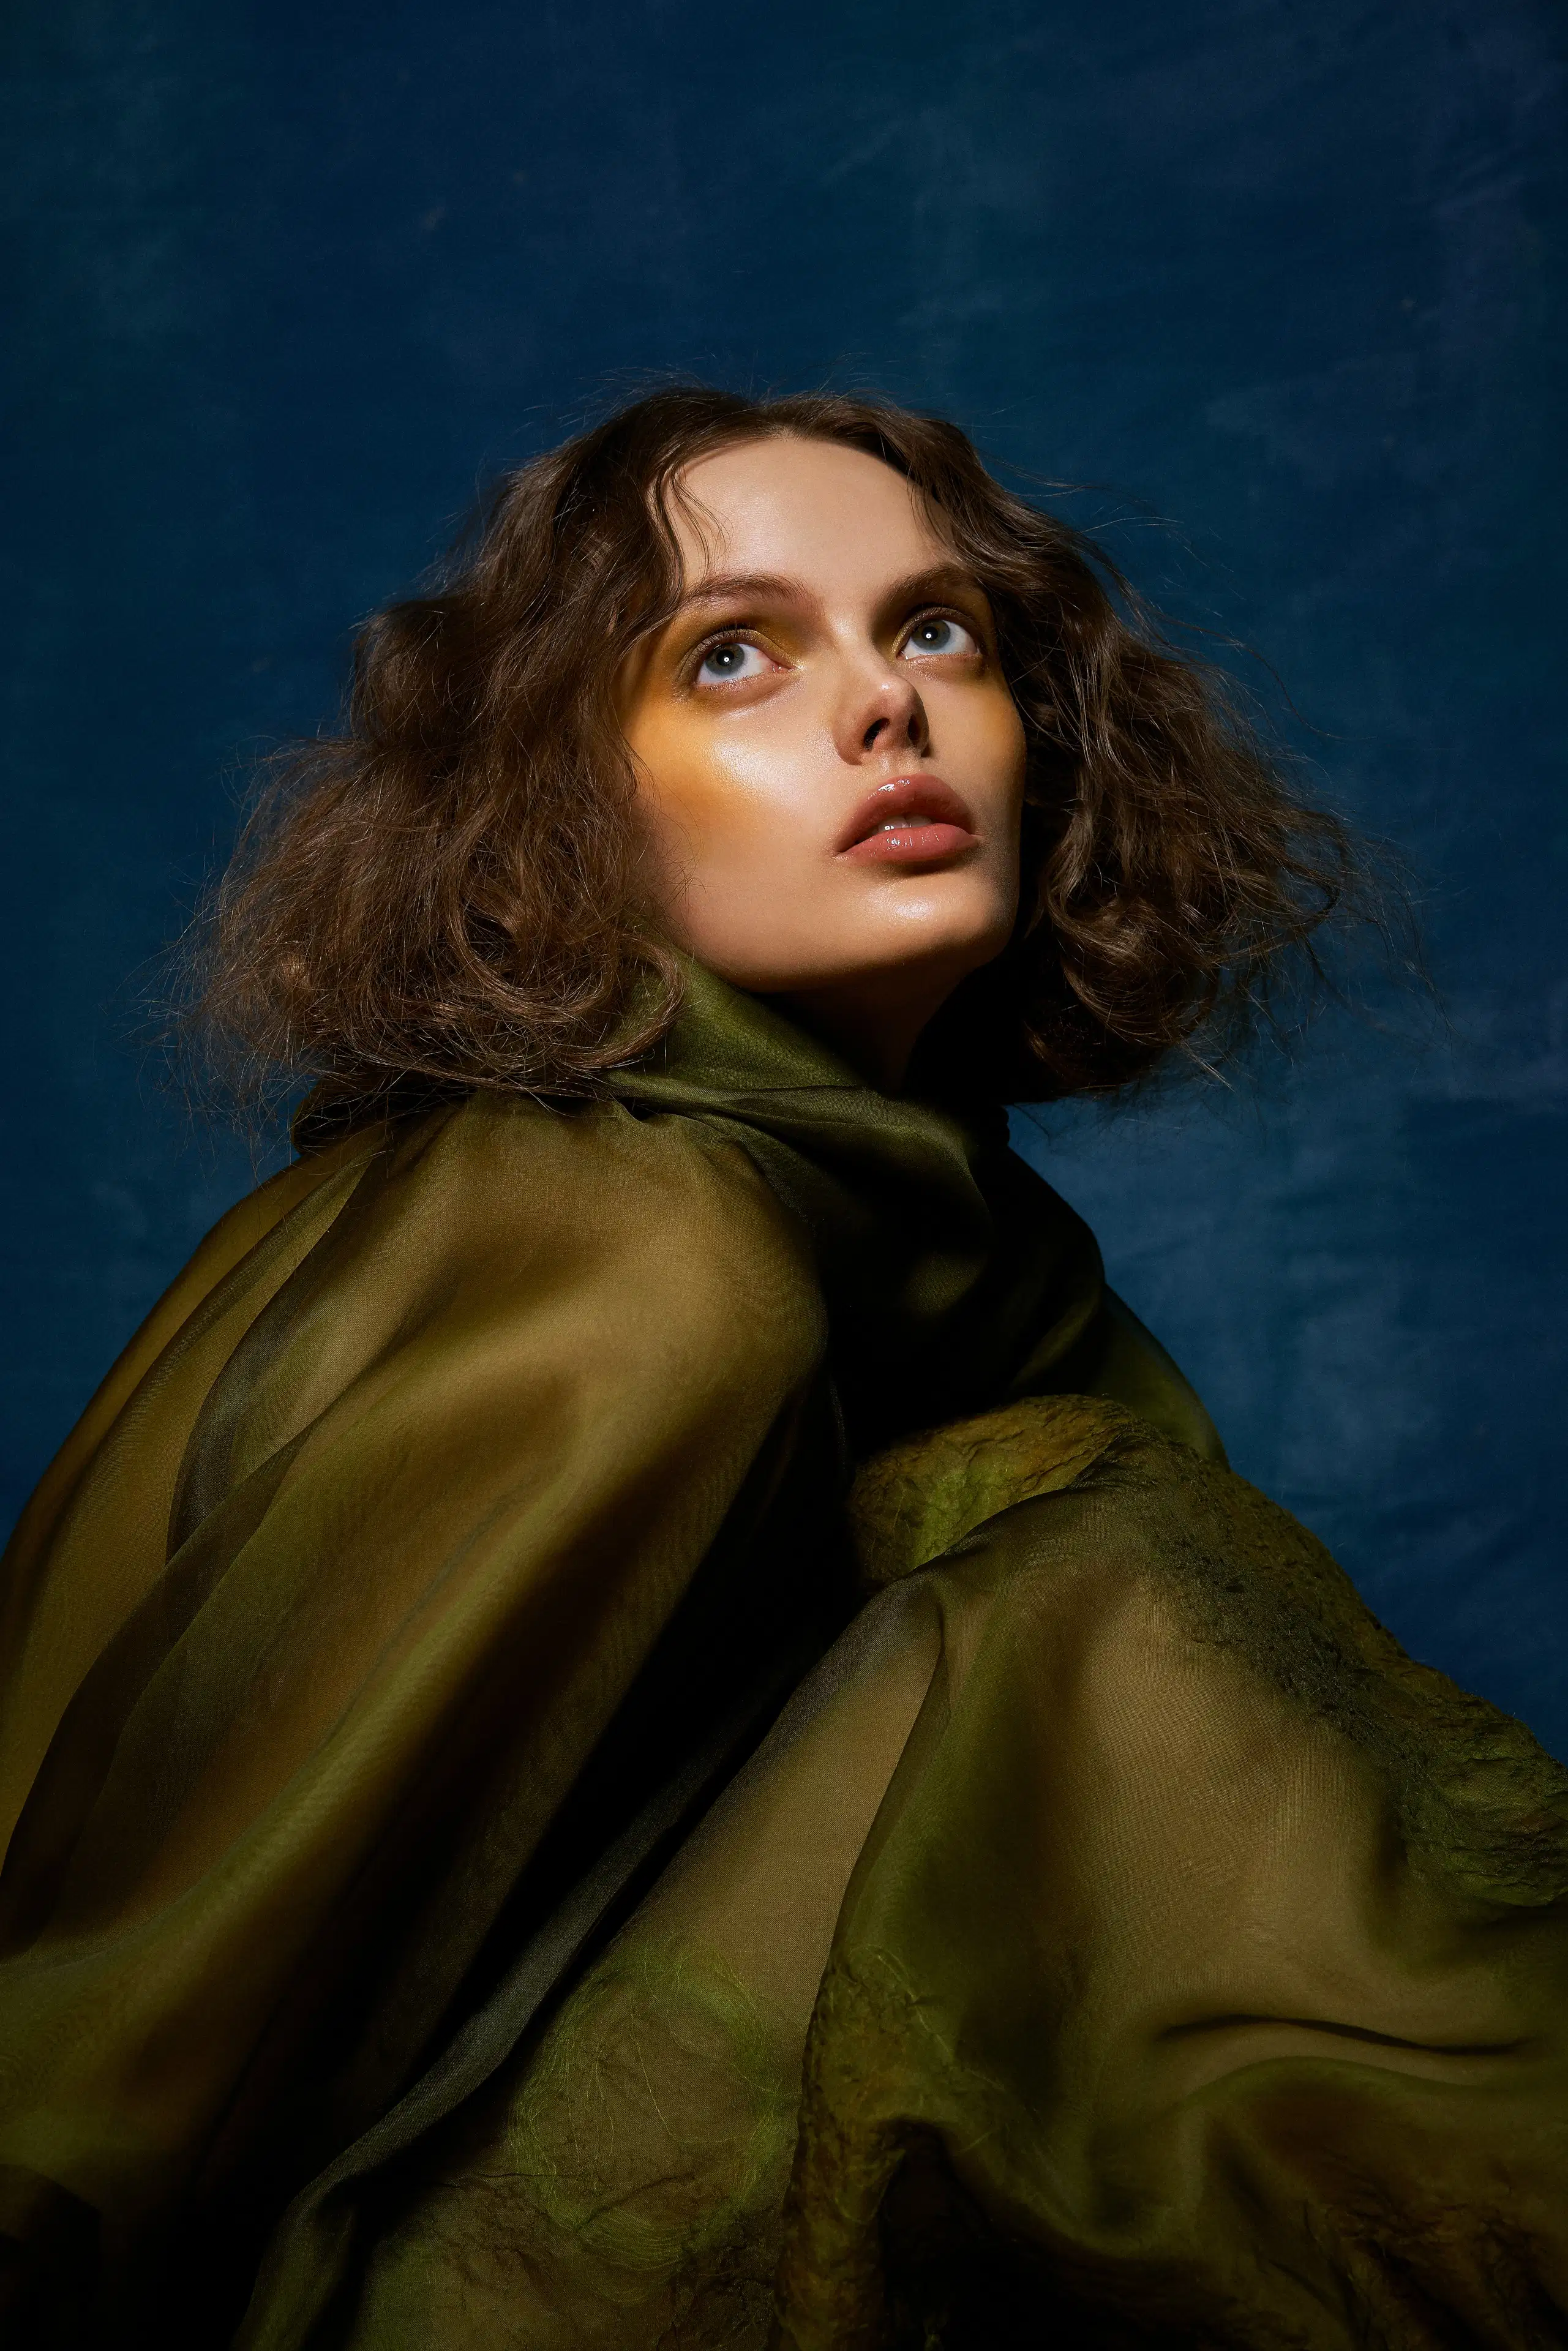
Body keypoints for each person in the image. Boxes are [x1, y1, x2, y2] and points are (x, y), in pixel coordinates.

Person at [1, 389, 1564, 2351]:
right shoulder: (632, 1242)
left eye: (937, 631)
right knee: (1100, 1608)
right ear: (561, 808)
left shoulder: (963, 1260)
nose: (888, 705)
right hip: (300, 2285)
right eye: (730, 655)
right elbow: (152, 2002)